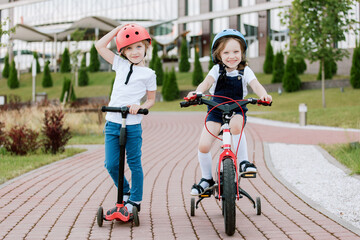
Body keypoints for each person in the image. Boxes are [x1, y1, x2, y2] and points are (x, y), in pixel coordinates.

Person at [186, 29, 272, 196]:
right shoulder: (216, 70)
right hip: (215, 110)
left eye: (236, 52)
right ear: (218, 55)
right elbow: (206, 83)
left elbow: (256, 85)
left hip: (236, 108)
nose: (232, 56)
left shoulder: (245, 71)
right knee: (203, 145)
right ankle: (207, 179)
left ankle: (244, 162)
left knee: (236, 127)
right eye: (226, 52)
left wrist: (263, 95)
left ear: (242, 53)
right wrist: (197, 93)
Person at [95, 23, 156, 216]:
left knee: (134, 163)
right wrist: (118, 30)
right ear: (122, 51)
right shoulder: (119, 64)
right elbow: (99, 46)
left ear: (146, 47)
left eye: (138, 46)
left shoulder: (149, 74)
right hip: (113, 122)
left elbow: (151, 100)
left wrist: (141, 107)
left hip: (132, 125)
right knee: (111, 164)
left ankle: (135, 201)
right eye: (129, 48)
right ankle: (126, 191)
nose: (134, 52)